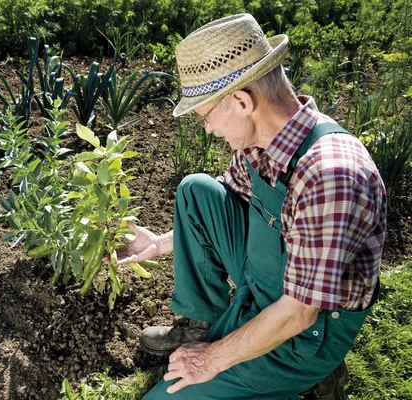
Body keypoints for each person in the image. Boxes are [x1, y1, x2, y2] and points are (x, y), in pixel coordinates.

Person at [115, 13, 387, 400]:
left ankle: (307, 375)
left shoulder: (331, 176)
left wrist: (210, 360)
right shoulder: (261, 144)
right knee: (197, 190)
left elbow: (298, 313)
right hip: (269, 282)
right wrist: (158, 244)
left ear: (241, 101)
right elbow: (225, 207)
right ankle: (206, 327)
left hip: (304, 330)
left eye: (205, 116)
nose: (208, 129)